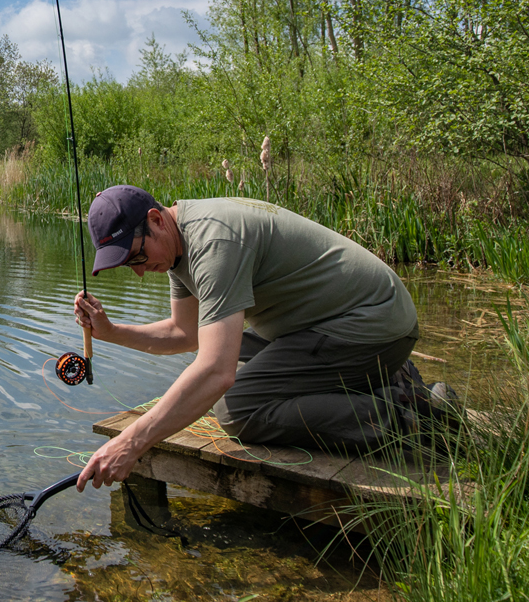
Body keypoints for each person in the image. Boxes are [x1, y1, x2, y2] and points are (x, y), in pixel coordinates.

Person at [74, 185, 447, 493]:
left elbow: (216, 371)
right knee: (224, 353)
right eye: (128, 264)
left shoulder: (213, 243)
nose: (139, 271)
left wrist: (132, 442)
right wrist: (110, 332)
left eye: (137, 256)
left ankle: (406, 416)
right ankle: (388, 379)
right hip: (348, 324)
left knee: (238, 410)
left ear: (156, 220)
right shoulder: (178, 244)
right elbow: (185, 334)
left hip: (373, 327)